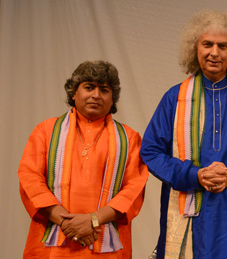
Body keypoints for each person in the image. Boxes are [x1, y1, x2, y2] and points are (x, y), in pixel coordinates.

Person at [140, 10, 227, 259]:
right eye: (207, 44)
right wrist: (195, 174)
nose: (214, 52)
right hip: (188, 208)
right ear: (195, 49)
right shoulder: (175, 98)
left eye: (222, 45)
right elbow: (150, 151)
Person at [18, 60, 149, 258]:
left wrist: (92, 221)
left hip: (105, 245)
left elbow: (134, 190)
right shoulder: (46, 131)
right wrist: (66, 222)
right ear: (74, 93)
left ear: (113, 99)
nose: (96, 95)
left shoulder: (129, 138)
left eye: (104, 90)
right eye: (89, 87)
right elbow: (30, 179)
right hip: (52, 246)